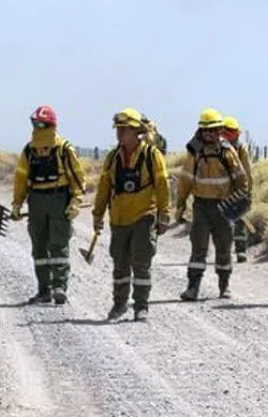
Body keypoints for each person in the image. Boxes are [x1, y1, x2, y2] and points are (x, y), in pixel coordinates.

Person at [92, 108, 172, 321]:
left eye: (124, 129)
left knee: (141, 262)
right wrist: (97, 214)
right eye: (118, 129)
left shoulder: (151, 155)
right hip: (118, 219)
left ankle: (141, 306)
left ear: (136, 131)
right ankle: (119, 305)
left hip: (143, 216)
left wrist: (164, 214)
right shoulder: (112, 158)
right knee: (120, 264)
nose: (120, 133)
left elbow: (162, 185)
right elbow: (103, 187)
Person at [11, 106, 86, 305]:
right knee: (39, 247)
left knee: (59, 245)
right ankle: (44, 290)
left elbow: (78, 179)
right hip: (36, 200)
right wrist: (17, 204)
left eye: (41, 124)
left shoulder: (64, 149)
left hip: (59, 199)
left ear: (51, 125)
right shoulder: (29, 151)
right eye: (34, 124)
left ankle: (60, 287)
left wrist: (75, 202)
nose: (37, 127)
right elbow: (21, 179)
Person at [177, 109, 248, 301]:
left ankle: (224, 286)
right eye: (205, 130)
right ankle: (193, 288)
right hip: (200, 207)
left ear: (219, 131)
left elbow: (241, 178)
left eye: (212, 130)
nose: (208, 134)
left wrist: (240, 202)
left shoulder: (227, 152)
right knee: (198, 249)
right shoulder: (195, 152)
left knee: (224, 248)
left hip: (223, 208)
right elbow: (185, 180)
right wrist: (180, 204)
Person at [222, 115, 253, 263]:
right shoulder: (217, 149)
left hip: (238, 190)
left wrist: (247, 193)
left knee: (240, 221)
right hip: (222, 190)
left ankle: (241, 250)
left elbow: (247, 172)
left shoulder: (241, 149)